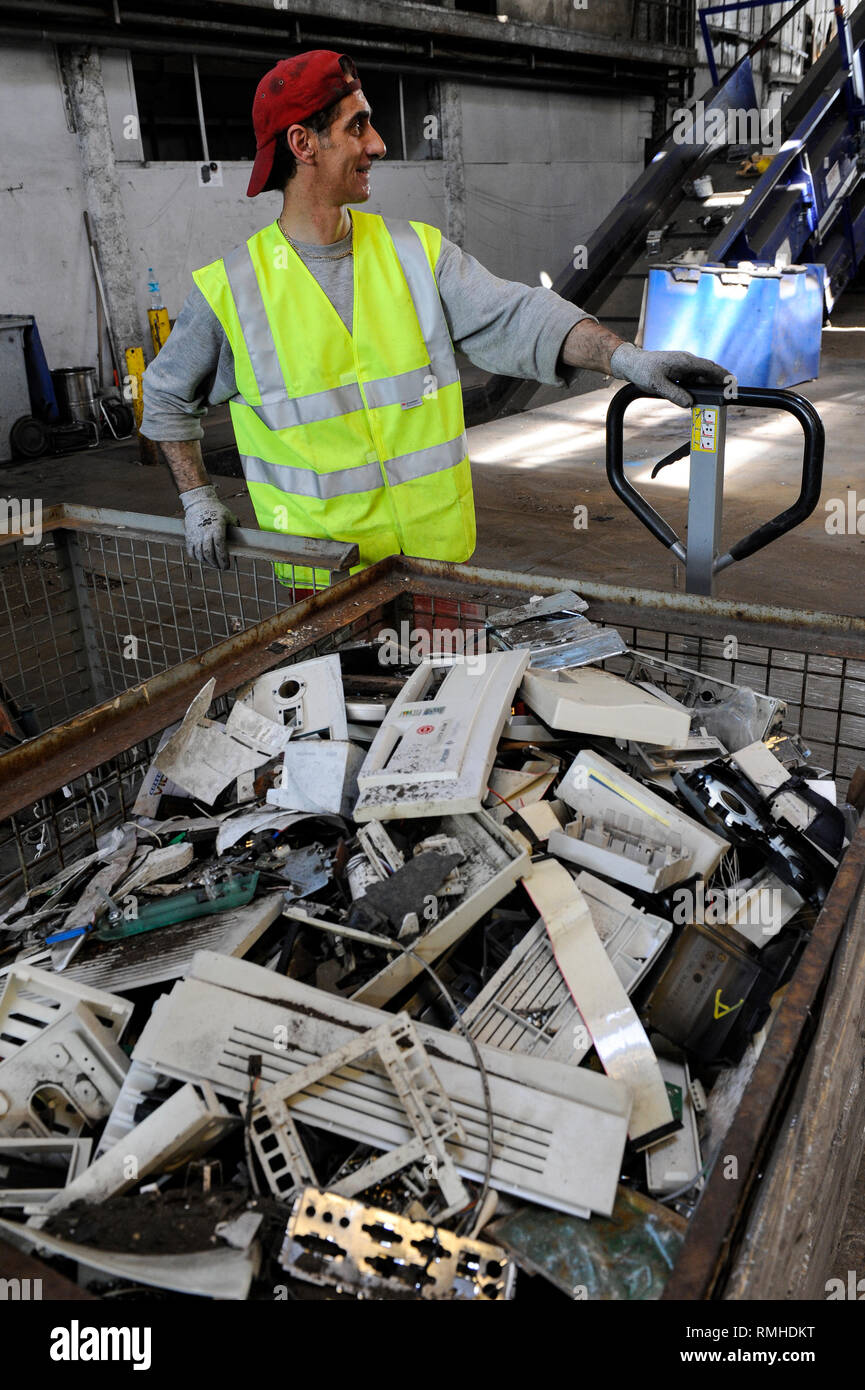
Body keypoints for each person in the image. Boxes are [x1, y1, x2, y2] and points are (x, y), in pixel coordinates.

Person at [141, 49, 729, 574]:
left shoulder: (415, 253)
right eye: (358, 126)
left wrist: (627, 358)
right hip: (323, 584)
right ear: (303, 144)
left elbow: (518, 315)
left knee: (453, 701)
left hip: (435, 573)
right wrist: (197, 498)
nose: (378, 145)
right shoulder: (231, 291)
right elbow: (167, 397)